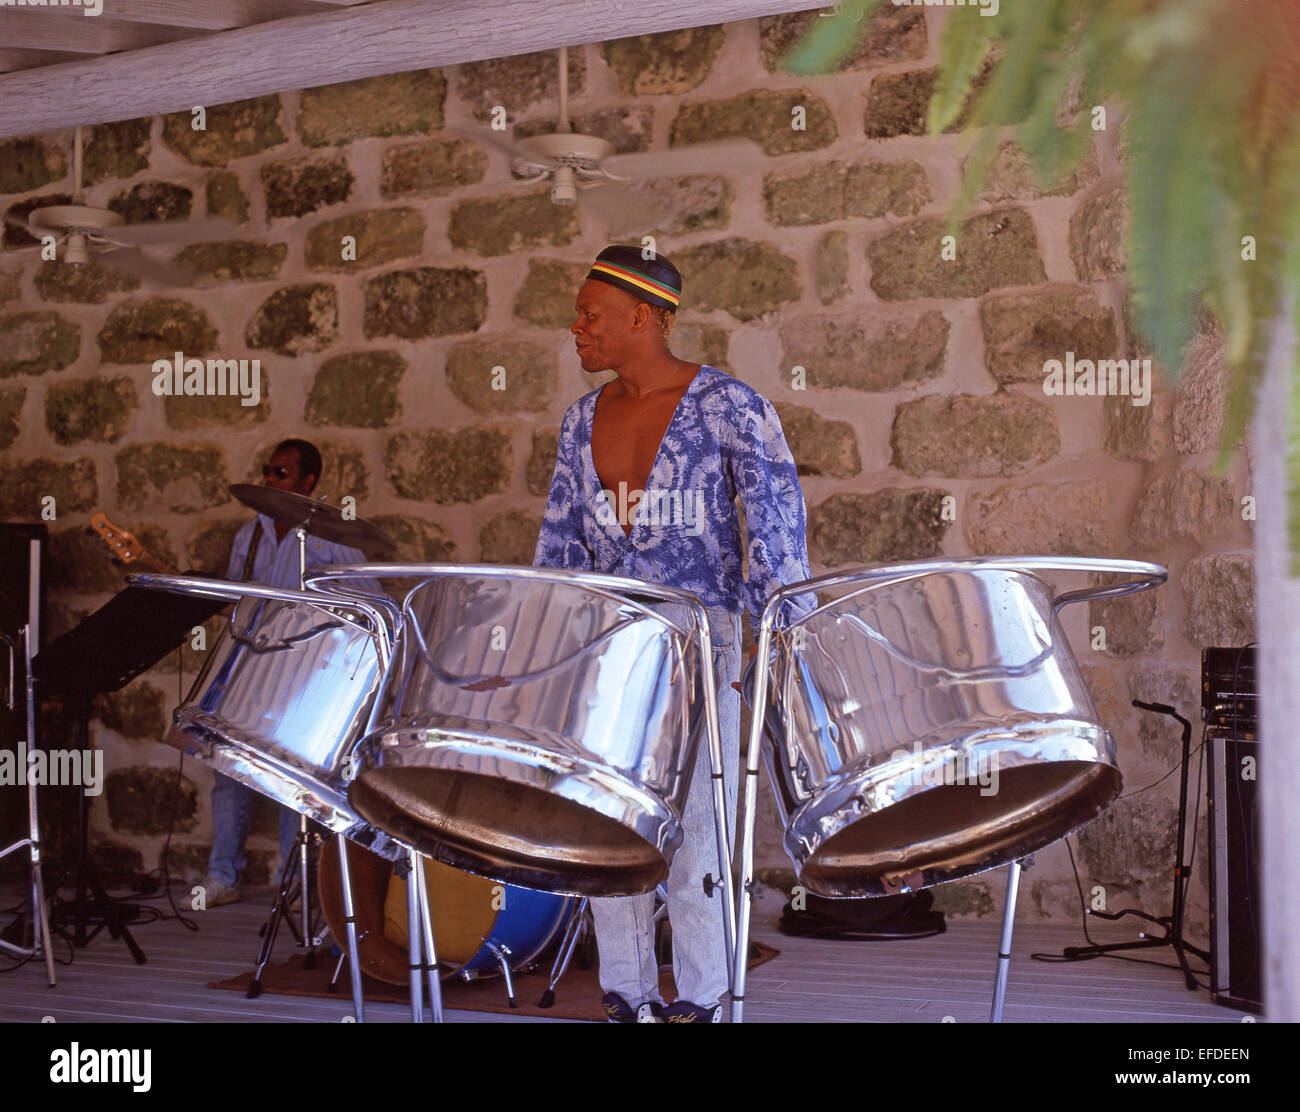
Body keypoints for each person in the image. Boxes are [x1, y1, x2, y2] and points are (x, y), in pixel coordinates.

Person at [533, 245, 813, 1022]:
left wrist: (766, 655)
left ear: (643, 317)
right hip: (610, 650)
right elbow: (559, 550)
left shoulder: (732, 407)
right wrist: (555, 656)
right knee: (611, 840)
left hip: (707, 645)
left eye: (591, 314)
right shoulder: (580, 420)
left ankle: (705, 1003)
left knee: (698, 842)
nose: (577, 327)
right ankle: (626, 996)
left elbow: (778, 540)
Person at [200, 438, 372, 906]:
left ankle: (293, 880)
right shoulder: (249, 534)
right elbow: (235, 600)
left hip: (304, 672)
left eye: (280, 473)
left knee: (289, 776)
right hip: (251, 665)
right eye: (268, 471)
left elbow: (370, 602)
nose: (269, 480)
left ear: (307, 481)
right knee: (227, 771)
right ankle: (223, 876)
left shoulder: (333, 534)